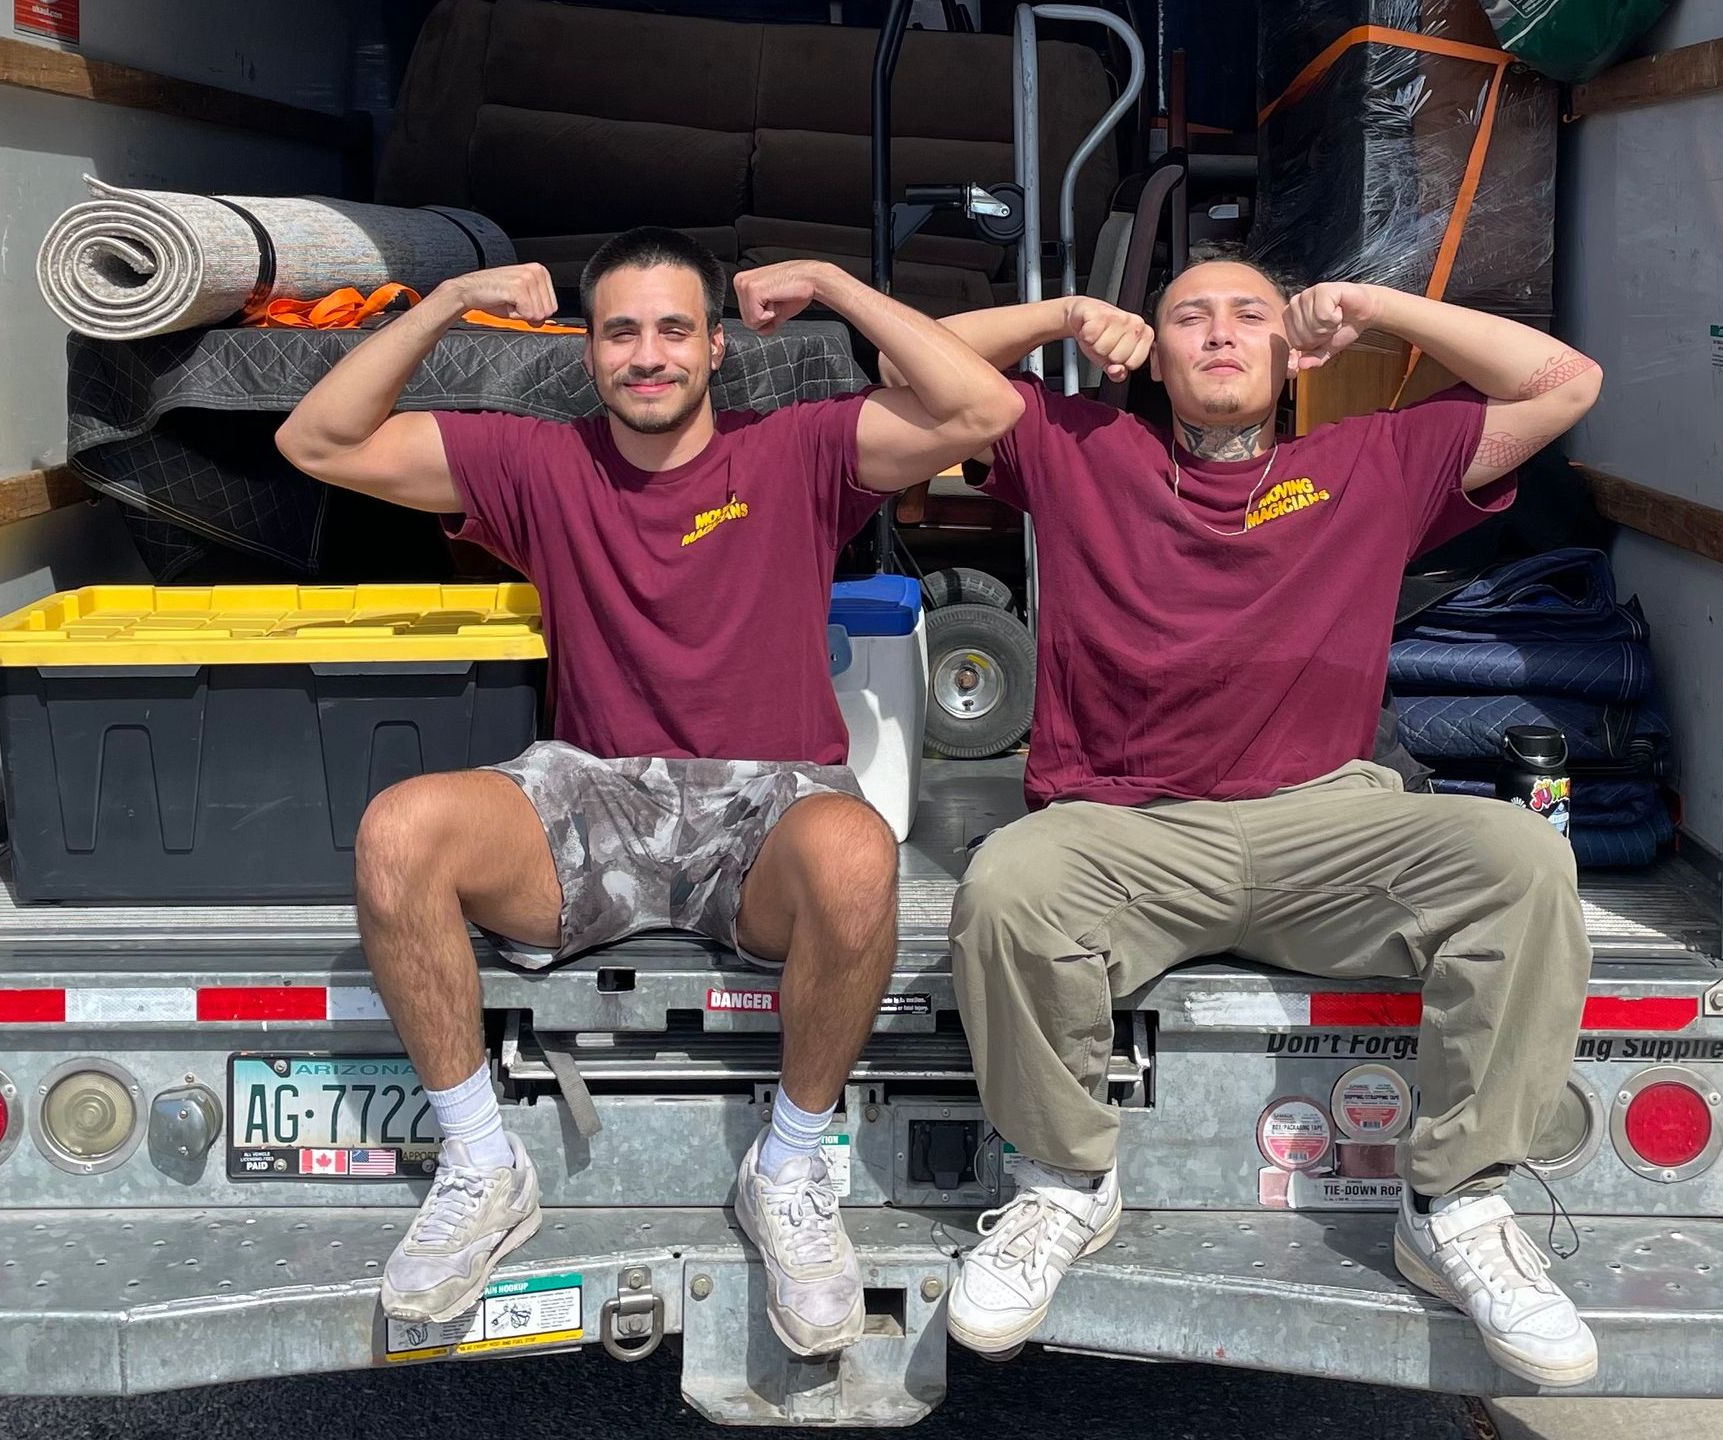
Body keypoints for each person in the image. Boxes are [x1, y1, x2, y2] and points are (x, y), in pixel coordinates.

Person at [275, 228, 1022, 1356]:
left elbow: (982, 413)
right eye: (620, 331)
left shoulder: (801, 449)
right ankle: (483, 1164)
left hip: (765, 802)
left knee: (861, 853)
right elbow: (315, 438)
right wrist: (450, 302)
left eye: (674, 329)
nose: (648, 354)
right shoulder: (534, 461)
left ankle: (789, 1170)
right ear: (587, 351)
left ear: (716, 346)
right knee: (399, 831)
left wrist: (829, 285)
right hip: (593, 795)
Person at [884, 249, 1606, 1387]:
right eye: (1188, 318)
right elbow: (907, 362)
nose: (1219, 332)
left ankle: (1455, 1207)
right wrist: (1067, 314)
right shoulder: (1075, 446)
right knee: (1009, 885)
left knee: (1519, 854)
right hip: (1127, 829)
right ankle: (1065, 1184)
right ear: (1155, 358)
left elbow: (1562, 382)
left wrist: (1374, 309)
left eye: (1249, 315)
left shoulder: (1376, 458)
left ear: (1292, 353)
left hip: (1323, 822)